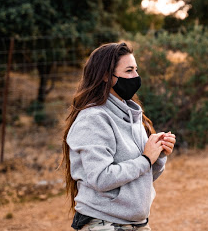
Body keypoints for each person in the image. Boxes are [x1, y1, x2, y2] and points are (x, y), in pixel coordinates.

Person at [61, 42, 176, 231]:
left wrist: (158, 155)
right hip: (104, 225)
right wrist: (146, 159)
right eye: (129, 70)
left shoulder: (132, 115)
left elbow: (142, 177)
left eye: (136, 70)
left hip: (136, 224)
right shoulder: (93, 118)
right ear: (106, 76)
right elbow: (101, 178)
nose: (136, 77)